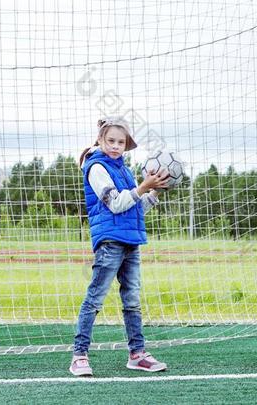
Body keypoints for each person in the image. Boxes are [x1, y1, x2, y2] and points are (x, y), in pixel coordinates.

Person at [70, 116, 170, 376]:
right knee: (95, 298)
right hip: (109, 242)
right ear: (101, 140)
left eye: (121, 142)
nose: (116, 146)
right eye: (111, 140)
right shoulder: (96, 168)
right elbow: (115, 203)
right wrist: (142, 187)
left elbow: (135, 208)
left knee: (132, 301)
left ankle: (137, 354)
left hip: (131, 241)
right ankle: (79, 355)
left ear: (126, 145)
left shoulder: (124, 170)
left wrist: (155, 190)